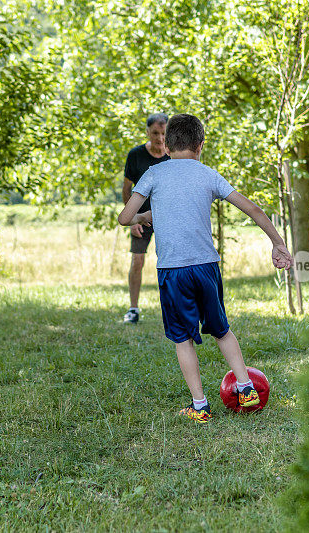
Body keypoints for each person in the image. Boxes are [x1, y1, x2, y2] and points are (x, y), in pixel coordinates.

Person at [117, 113, 293, 423]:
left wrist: (144, 217)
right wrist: (278, 243)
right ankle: (246, 387)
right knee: (221, 329)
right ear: (201, 145)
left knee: (183, 338)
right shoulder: (208, 174)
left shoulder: (154, 174)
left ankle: (200, 407)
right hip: (206, 267)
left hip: (173, 271)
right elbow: (252, 208)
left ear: (167, 146)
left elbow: (125, 217)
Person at [121, 113, 171, 324]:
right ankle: (133, 310)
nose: (160, 138)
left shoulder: (173, 156)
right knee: (137, 261)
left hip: (168, 217)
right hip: (141, 218)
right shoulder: (136, 155)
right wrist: (132, 219)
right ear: (148, 132)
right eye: (155, 133)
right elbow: (126, 188)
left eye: (164, 133)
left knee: (171, 263)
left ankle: (173, 309)